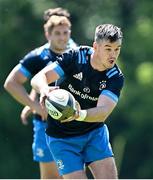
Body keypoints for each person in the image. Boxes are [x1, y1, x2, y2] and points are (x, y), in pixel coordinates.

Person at [31, 24, 124, 179]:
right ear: (95, 46)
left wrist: (77, 114)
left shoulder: (115, 77)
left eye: (117, 49)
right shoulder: (76, 57)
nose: (113, 54)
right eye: (108, 48)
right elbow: (37, 79)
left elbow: (103, 112)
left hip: (93, 134)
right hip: (61, 138)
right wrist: (44, 89)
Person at [4, 14, 74, 179]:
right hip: (46, 125)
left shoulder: (76, 54)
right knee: (51, 177)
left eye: (65, 33)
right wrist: (34, 106)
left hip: (73, 124)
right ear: (48, 34)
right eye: (57, 33)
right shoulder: (37, 57)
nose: (62, 37)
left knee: (74, 175)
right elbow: (11, 83)